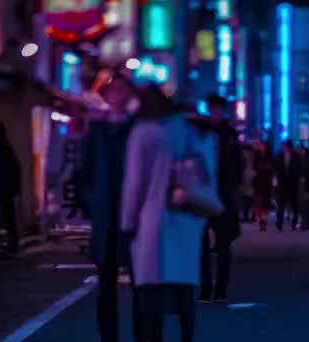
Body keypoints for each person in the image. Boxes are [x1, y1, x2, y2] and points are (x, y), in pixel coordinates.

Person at [121, 85, 218, 341]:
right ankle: (187, 336)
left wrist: (127, 224)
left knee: (150, 291)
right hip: (188, 220)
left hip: (152, 221)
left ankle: (154, 338)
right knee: (184, 287)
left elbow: (135, 184)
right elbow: (209, 177)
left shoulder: (143, 132)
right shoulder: (196, 132)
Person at [80, 70, 140, 342]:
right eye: (112, 91)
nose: (117, 95)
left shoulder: (138, 128)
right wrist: (90, 201)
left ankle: (143, 335)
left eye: (121, 90)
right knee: (106, 284)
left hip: (134, 214)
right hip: (105, 215)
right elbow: (85, 169)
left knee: (141, 282)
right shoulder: (97, 130)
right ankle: (109, 337)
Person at [200, 94, 243, 303]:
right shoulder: (199, 132)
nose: (215, 113)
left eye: (218, 109)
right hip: (202, 192)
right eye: (212, 109)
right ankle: (205, 289)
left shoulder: (230, 134)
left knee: (224, 244)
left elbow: (238, 165)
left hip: (224, 193)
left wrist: (236, 188)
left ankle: (220, 290)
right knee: (201, 246)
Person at [0, 122, 22, 255]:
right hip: (5, 188)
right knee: (7, 217)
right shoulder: (5, 146)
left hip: (2, 188)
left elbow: (0, 169)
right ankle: (11, 244)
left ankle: (7, 244)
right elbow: (16, 168)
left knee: (3, 217)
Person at [275, 140, 301, 231]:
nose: (284, 148)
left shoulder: (296, 156)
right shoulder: (280, 156)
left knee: (294, 205)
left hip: (293, 183)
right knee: (281, 204)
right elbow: (277, 168)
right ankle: (279, 223)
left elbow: (299, 169)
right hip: (282, 184)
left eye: (286, 146)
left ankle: (294, 221)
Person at [252, 140, 274, 231]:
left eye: (263, 145)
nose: (261, 147)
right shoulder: (256, 155)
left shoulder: (270, 156)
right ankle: (260, 218)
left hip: (267, 181)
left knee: (265, 201)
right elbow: (254, 167)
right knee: (258, 201)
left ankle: (264, 220)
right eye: (260, 145)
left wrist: (264, 167)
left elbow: (272, 167)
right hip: (258, 181)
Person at [240, 145, 255, 223]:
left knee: (246, 199)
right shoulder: (253, 156)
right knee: (249, 199)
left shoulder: (243, 157)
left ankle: (247, 216)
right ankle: (250, 216)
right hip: (250, 179)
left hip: (246, 179)